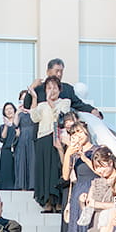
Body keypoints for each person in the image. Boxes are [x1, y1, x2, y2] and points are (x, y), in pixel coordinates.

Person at [28, 76, 71, 212]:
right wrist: (35, 98)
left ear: (59, 89)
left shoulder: (65, 102)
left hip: (57, 138)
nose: (51, 91)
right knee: (44, 170)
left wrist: (50, 102)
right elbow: (34, 117)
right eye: (48, 88)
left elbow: (60, 116)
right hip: (42, 139)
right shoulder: (41, 105)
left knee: (56, 169)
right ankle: (46, 201)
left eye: (54, 88)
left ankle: (58, 201)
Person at [21, 58, 103, 118]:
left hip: (61, 128)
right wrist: (32, 88)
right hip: (41, 130)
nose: (59, 74)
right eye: (57, 71)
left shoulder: (67, 89)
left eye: (61, 71)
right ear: (48, 72)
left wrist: (92, 110)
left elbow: (78, 104)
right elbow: (26, 105)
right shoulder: (38, 88)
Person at [62, 121, 95, 232]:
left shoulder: (97, 150)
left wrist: (84, 158)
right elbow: (65, 176)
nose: (77, 136)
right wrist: (68, 154)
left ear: (87, 132)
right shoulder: (74, 154)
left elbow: (100, 170)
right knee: (76, 229)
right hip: (78, 191)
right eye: (73, 134)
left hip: (93, 190)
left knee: (90, 228)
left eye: (79, 132)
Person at [77, 146, 116, 232]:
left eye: (101, 166)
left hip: (112, 224)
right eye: (97, 167)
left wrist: (97, 204)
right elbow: (88, 207)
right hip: (95, 224)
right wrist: (82, 201)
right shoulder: (96, 182)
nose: (99, 170)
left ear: (110, 163)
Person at [13, 91, 37, 192]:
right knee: (22, 160)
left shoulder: (34, 110)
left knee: (32, 159)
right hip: (22, 137)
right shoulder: (19, 112)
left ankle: (33, 185)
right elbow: (15, 125)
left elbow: (36, 120)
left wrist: (30, 111)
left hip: (32, 137)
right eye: (21, 99)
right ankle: (22, 186)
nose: (23, 101)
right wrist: (17, 113)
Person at [0, 102, 18, 191]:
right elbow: (2, 138)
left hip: (17, 150)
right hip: (6, 151)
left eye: (10, 108)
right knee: (5, 172)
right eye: (6, 109)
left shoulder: (18, 124)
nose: (9, 111)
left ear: (14, 110)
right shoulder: (2, 126)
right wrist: (6, 125)